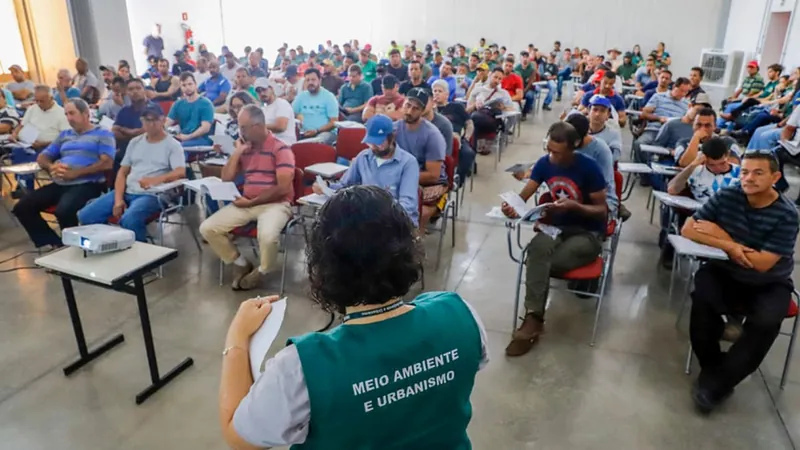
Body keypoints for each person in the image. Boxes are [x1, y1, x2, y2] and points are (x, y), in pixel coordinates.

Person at [220, 183, 488, 450]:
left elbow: (239, 437)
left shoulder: (302, 368)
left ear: (322, 269)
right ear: (408, 250)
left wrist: (238, 339)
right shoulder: (460, 314)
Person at [680, 151, 797, 414]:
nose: (749, 178)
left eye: (758, 173)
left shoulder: (786, 214)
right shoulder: (729, 195)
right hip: (726, 271)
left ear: (775, 177)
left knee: (767, 322)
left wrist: (723, 238)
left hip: (770, 281)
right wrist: (729, 246)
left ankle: (717, 383)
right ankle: (712, 369)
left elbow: (764, 263)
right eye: (744, 172)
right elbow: (688, 228)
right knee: (703, 297)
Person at [502, 121, 607, 356]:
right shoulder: (544, 164)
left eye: (557, 152)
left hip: (587, 232)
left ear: (574, 147)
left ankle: (533, 320)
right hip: (556, 227)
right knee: (536, 251)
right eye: (549, 150)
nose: (552, 156)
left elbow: (602, 210)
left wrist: (576, 206)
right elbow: (524, 196)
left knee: (544, 263)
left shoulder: (589, 168)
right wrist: (512, 207)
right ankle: (534, 317)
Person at [199, 105, 295, 291]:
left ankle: (264, 270)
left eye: (243, 127)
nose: (239, 131)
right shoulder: (246, 148)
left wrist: (252, 202)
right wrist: (236, 153)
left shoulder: (281, 149)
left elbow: (283, 187)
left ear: (258, 126)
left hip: (275, 204)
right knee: (208, 228)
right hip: (247, 202)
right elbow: (226, 178)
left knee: (267, 237)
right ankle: (240, 262)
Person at [12, 98, 114, 249]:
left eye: (72, 113)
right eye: (66, 114)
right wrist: (51, 167)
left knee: (64, 211)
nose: (69, 118)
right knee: (22, 207)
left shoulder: (103, 134)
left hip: (88, 184)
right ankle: (55, 243)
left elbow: (107, 163)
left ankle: (76, 247)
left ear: (85, 114)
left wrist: (76, 173)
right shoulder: (65, 135)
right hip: (61, 182)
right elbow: (43, 157)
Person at [77, 105, 185, 242]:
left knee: (129, 219)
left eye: (155, 120)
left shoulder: (172, 145)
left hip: (153, 195)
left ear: (163, 120)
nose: (151, 124)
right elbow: (122, 172)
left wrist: (156, 180)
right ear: (142, 121)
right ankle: (112, 242)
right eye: (147, 120)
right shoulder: (135, 142)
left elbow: (180, 172)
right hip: (128, 191)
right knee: (86, 216)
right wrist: (118, 199)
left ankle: (140, 254)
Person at [312, 114, 420, 223]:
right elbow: (345, 186)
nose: (374, 147)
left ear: (392, 137)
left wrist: (379, 214)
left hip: (395, 221)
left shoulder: (408, 163)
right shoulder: (363, 157)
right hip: (367, 218)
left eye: (380, 143)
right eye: (370, 143)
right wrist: (327, 186)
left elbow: (407, 206)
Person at [394, 88, 447, 234]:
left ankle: (414, 244)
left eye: (415, 108)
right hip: (400, 177)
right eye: (407, 105)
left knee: (416, 212)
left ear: (423, 111)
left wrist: (403, 177)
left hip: (431, 183)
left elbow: (433, 175)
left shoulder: (432, 135)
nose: (409, 111)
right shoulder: (394, 129)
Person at [8, 86, 71, 195]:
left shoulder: (61, 113)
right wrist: (14, 134)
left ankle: (26, 187)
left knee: (32, 158)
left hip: (49, 146)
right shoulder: (33, 109)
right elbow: (21, 125)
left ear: (51, 98)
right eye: (36, 100)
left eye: (42, 101)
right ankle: (23, 184)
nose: (39, 103)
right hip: (27, 143)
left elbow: (65, 138)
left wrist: (43, 143)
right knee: (17, 152)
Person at [633, 77, 691, 182]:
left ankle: (664, 176)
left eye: (686, 92)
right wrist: (659, 118)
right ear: (674, 87)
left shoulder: (686, 104)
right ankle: (645, 175)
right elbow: (645, 113)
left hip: (674, 134)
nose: (683, 94)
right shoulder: (658, 97)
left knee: (682, 151)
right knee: (639, 144)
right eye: (681, 91)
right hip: (655, 129)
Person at [566, 114, 618, 217]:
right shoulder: (567, 144)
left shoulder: (601, 150)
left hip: (599, 198)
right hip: (573, 193)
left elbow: (604, 185)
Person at [675, 108, 742, 168]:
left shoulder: (727, 141)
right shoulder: (683, 142)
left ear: (715, 127)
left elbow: (734, 165)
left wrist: (701, 161)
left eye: (707, 125)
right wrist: (696, 138)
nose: (702, 129)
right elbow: (684, 164)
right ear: (693, 125)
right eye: (698, 125)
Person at [112, 78, 156, 163]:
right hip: (125, 154)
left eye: (138, 88)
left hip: (148, 153)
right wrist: (133, 134)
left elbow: (145, 132)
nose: (135, 91)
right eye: (131, 89)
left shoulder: (153, 108)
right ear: (126, 93)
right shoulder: (124, 111)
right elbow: (114, 132)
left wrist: (123, 130)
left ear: (144, 90)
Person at [167, 72, 215, 147]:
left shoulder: (206, 104)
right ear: (180, 87)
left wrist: (188, 137)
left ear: (195, 85)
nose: (187, 87)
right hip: (182, 137)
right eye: (184, 85)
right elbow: (167, 122)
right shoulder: (178, 104)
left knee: (179, 147)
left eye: (190, 84)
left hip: (202, 139)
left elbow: (205, 128)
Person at [293, 68, 338, 145]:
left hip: (324, 133)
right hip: (305, 133)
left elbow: (334, 122)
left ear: (319, 81)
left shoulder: (329, 96)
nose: (310, 82)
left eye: (313, 80)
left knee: (318, 141)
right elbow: (291, 114)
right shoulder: (301, 97)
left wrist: (317, 130)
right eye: (307, 80)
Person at [255, 78, 296, 145]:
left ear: (272, 89)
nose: (262, 93)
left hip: (285, 145)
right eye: (259, 91)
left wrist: (259, 127)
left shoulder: (281, 104)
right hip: (270, 146)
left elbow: (281, 127)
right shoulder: (262, 110)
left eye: (264, 89)